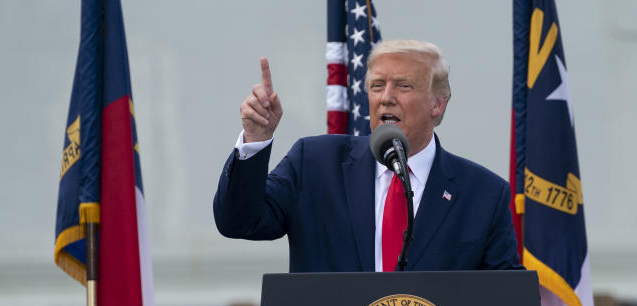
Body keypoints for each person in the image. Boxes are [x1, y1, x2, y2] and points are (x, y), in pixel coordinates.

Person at [213, 39, 520, 272]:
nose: (386, 97)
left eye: (403, 85)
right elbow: (238, 222)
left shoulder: (483, 195)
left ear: (437, 104)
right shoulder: (315, 164)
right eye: (377, 86)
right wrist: (255, 140)